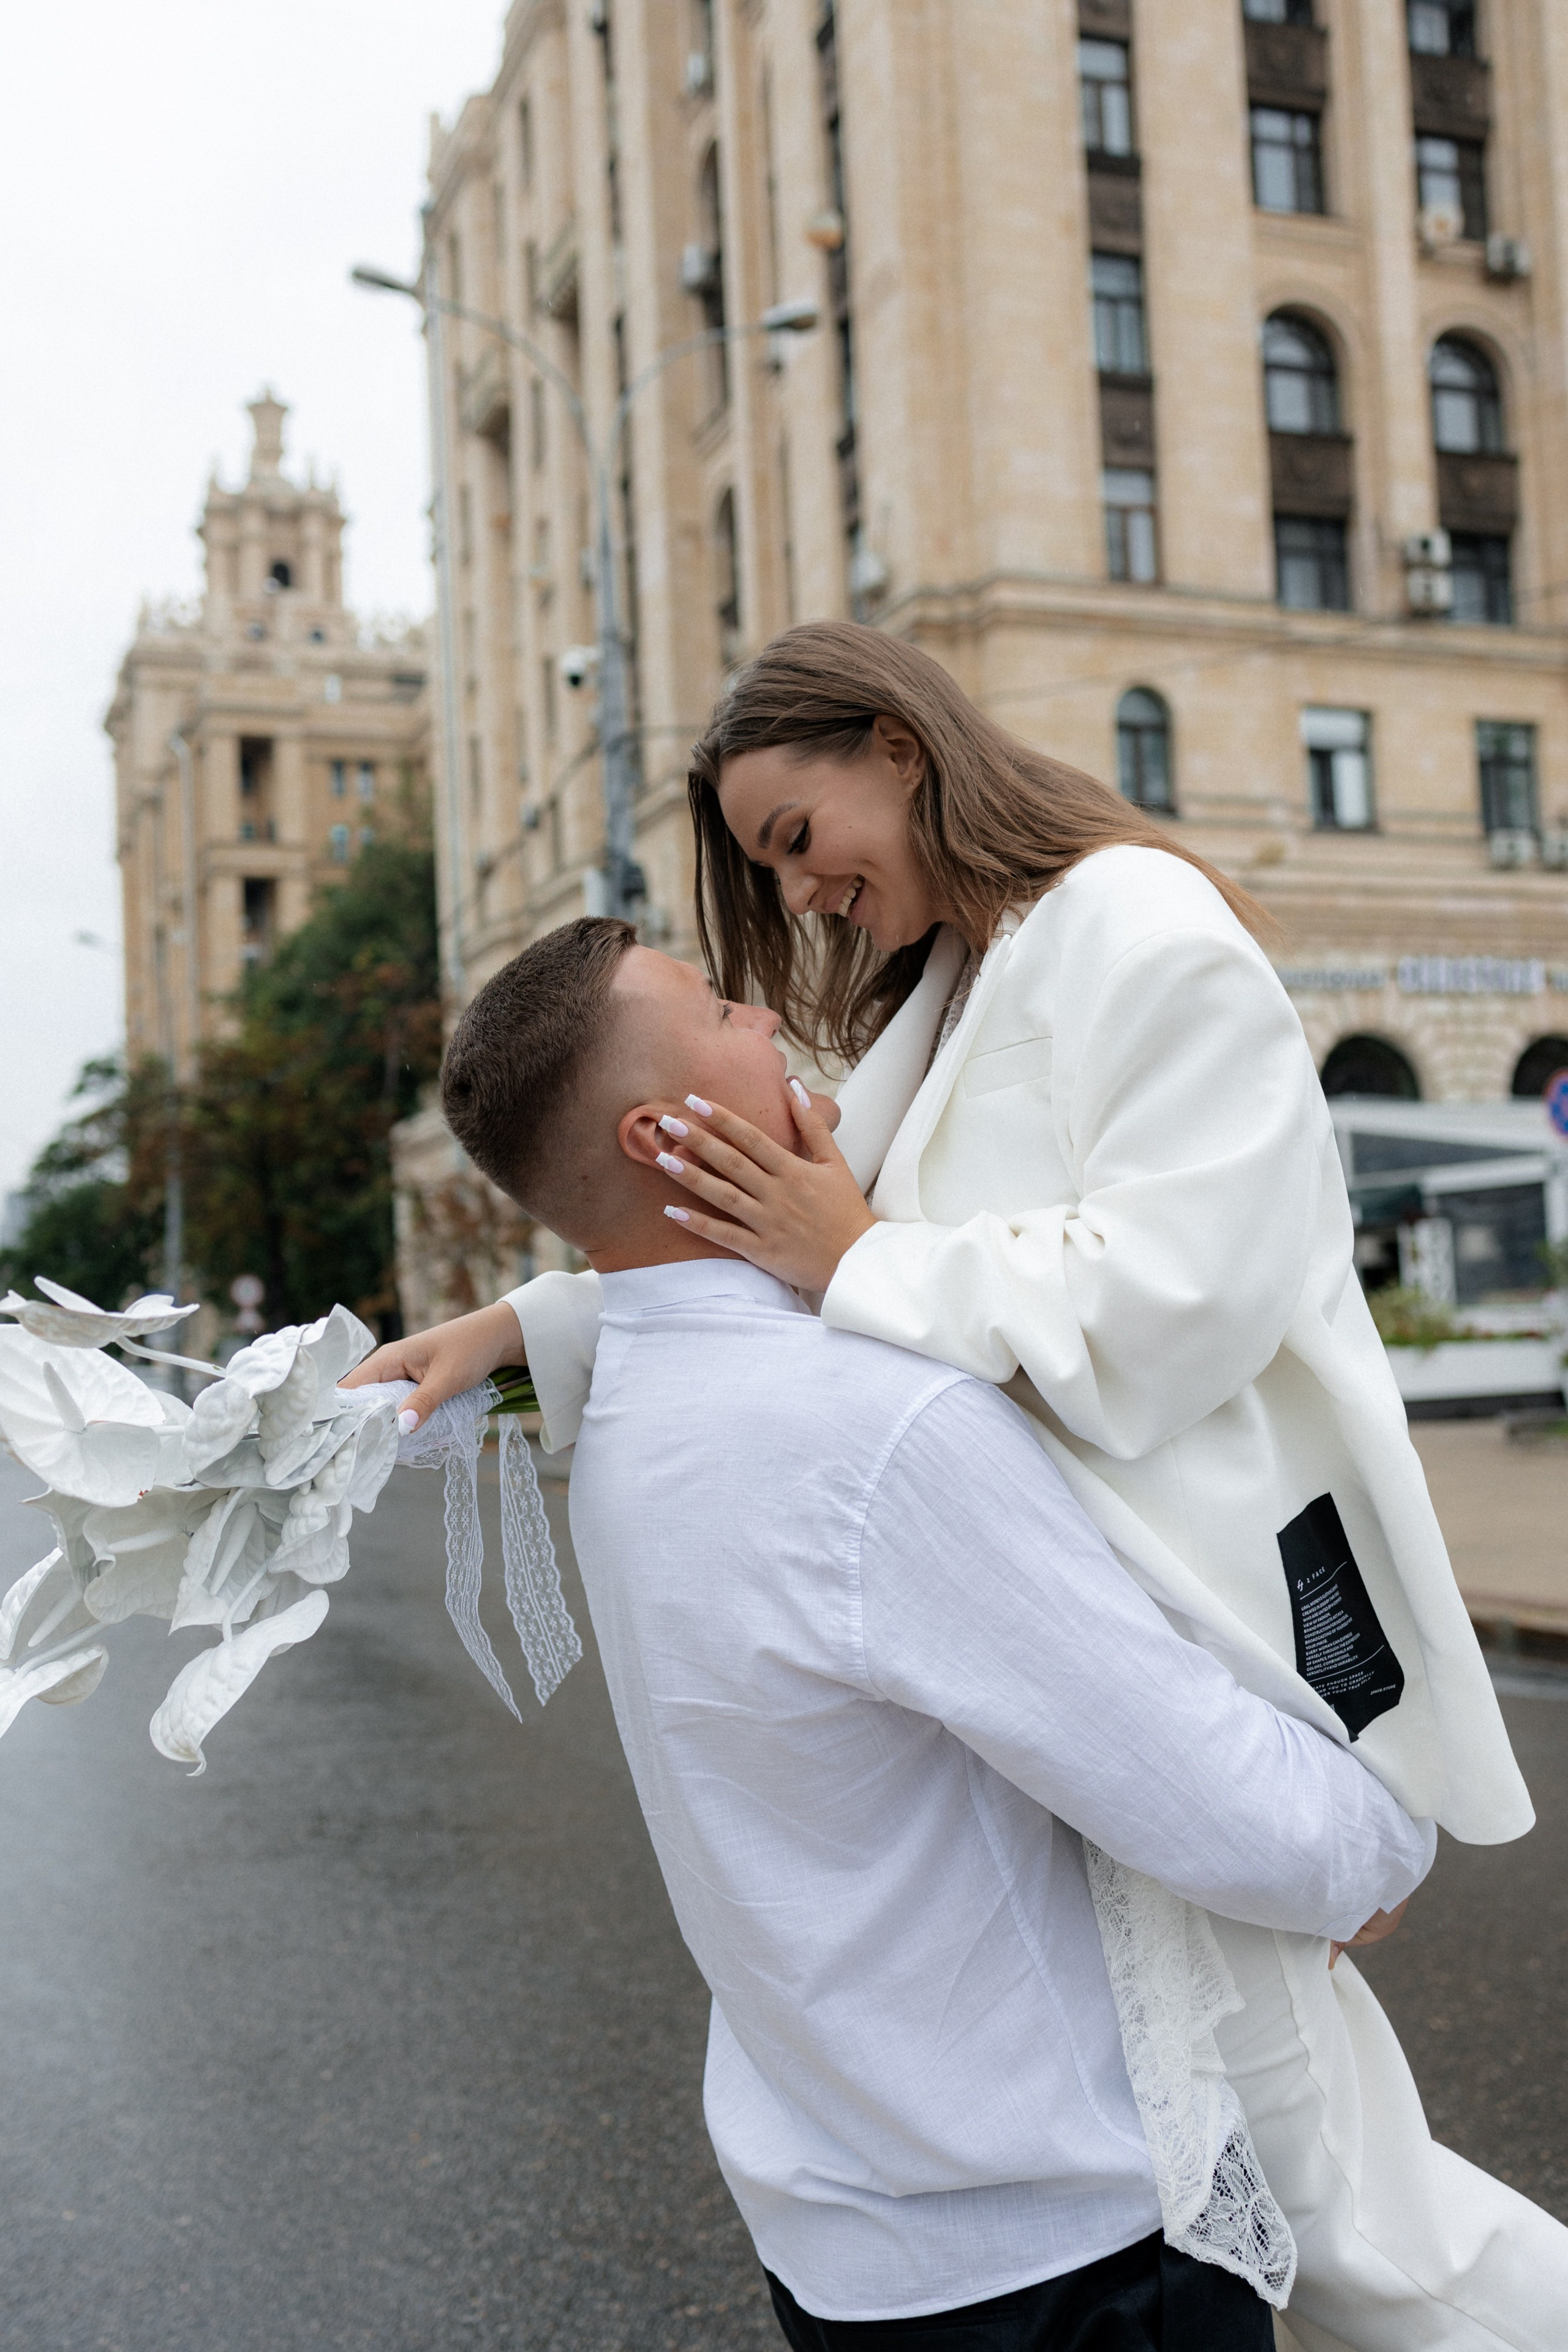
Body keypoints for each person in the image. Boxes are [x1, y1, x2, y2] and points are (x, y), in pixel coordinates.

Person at [350, 624, 1568, 2348]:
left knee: (1351, 2212)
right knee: (1321, 2203)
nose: (798, 901)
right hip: (1090, 1674)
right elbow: (766, 1236)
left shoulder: (1141, 928)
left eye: (795, 839)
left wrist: (859, 1258)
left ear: (898, 747)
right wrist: (527, 1322)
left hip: (1216, 1625)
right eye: (769, 872)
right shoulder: (952, 984)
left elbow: (1178, 1299)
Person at [423, 913, 1439, 2350]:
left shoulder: (631, 1412)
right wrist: (1373, 1846)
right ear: (662, 1135)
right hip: (1059, 2259)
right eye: (717, 1011)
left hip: (845, 2240)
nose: (762, 1019)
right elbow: (1186, 1775)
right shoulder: (869, 1427)